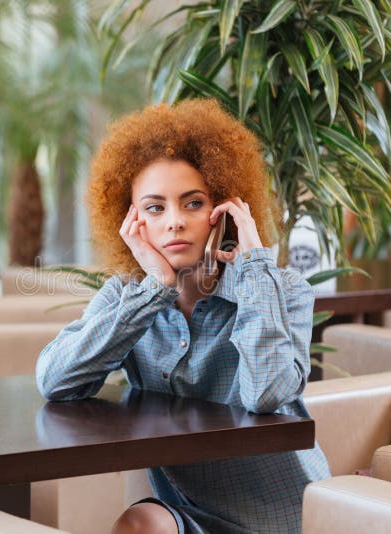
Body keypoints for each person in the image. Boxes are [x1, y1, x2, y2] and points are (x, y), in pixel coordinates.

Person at [36, 99, 330, 534]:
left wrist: (253, 268)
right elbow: (54, 381)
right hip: (191, 515)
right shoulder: (127, 297)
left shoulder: (283, 291)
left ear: (225, 210)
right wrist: (155, 289)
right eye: (155, 208)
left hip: (290, 517)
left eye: (192, 204)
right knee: (137, 524)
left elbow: (265, 394)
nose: (174, 222)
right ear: (132, 221)